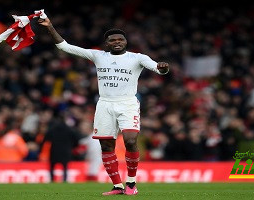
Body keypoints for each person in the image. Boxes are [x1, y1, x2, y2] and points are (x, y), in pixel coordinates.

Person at [38, 13, 169, 195]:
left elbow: (157, 67)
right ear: (107, 43)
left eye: (120, 39)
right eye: (112, 40)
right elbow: (64, 47)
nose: (117, 42)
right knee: (106, 146)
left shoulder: (138, 58)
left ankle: (131, 183)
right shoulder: (98, 55)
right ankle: (117, 186)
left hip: (127, 104)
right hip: (105, 104)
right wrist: (49, 26)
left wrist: (162, 68)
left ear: (125, 42)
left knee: (130, 141)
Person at [41, 114, 83, 183]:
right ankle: (65, 180)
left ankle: (52, 180)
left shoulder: (52, 129)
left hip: (54, 151)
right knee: (65, 167)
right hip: (66, 151)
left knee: (52, 166)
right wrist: (73, 146)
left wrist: (42, 149)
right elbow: (76, 140)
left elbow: (45, 140)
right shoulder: (69, 129)